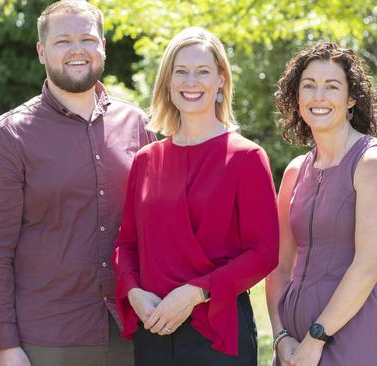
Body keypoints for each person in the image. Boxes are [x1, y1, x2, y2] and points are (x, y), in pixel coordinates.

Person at [0, 1, 154, 365]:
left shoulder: (136, 123)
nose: (77, 49)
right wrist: (6, 346)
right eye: (63, 41)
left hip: (133, 332)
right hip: (49, 339)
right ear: (42, 51)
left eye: (87, 38)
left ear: (103, 46)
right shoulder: (8, 137)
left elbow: (155, 226)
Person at [112, 27, 279, 366]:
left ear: (220, 81)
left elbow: (264, 253)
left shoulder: (246, 157)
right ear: (168, 82)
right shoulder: (146, 160)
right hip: (153, 327)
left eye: (203, 72)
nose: (191, 82)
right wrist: (133, 292)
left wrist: (195, 293)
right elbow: (126, 245)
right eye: (181, 72)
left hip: (216, 331)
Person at [265, 41, 377, 366]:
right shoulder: (294, 172)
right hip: (293, 345)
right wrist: (280, 336)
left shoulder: (373, 163)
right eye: (309, 86)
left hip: (355, 336)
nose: (319, 96)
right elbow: (280, 267)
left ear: (352, 98)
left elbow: (367, 266)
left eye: (332, 87)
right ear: (297, 97)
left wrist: (317, 338)